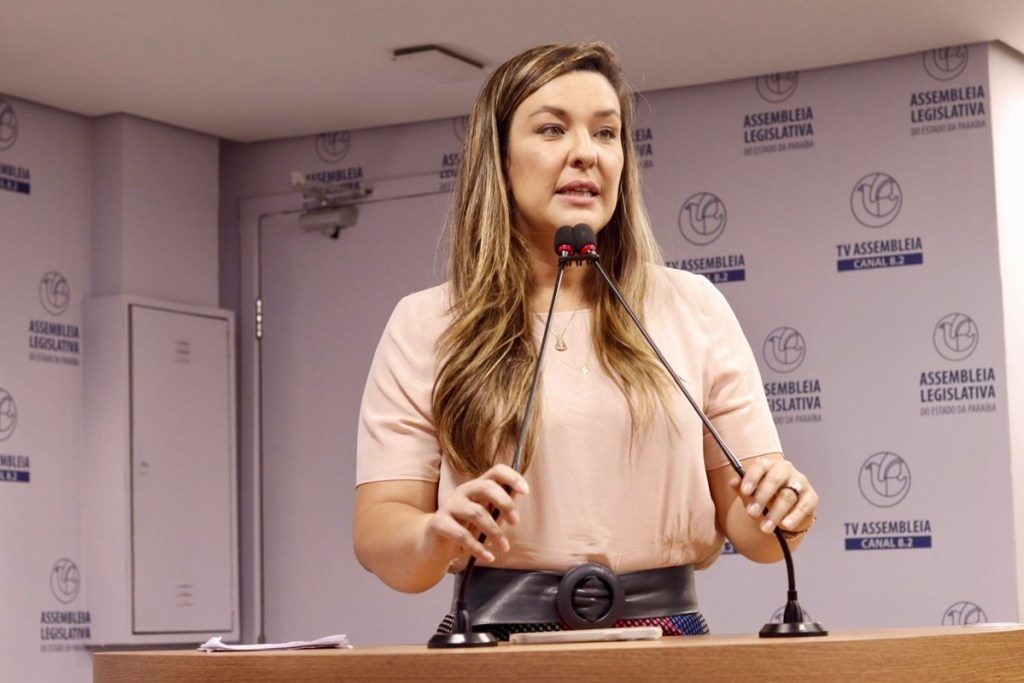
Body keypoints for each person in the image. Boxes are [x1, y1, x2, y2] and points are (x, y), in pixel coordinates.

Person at [353, 41, 819, 639]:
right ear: (497, 158)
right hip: (494, 641)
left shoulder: (692, 306)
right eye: (552, 130)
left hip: (669, 639)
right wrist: (432, 534)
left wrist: (787, 509)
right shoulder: (428, 322)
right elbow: (380, 530)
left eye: (606, 133)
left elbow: (756, 532)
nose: (585, 154)